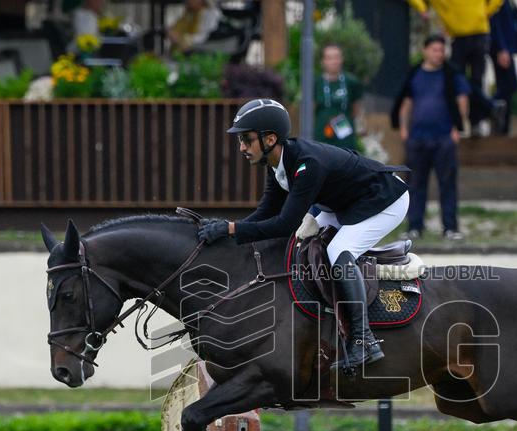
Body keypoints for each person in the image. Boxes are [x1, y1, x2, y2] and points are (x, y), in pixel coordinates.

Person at [196, 99, 410, 371]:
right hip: (346, 203)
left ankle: (364, 342)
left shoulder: (307, 165)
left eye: (247, 140)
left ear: (270, 139)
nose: (242, 148)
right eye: (241, 140)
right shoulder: (277, 164)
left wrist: (231, 229)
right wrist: (228, 232)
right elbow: (264, 214)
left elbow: (284, 224)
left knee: (338, 253)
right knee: (303, 245)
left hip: (386, 200)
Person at [391, 35, 469, 241]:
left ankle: (450, 228)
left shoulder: (451, 74)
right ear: (425, 50)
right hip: (417, 139)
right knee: (415, 184)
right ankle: (415, 227)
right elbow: (406, 103)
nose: (439, 54)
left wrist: (457, 129)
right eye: (435, 50)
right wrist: (404, 130)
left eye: (441, 50)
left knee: (447, 184)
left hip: (444, 138)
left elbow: (462, 101)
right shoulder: (414, 74)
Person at [407, 0, 496, 135]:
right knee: (457, 80)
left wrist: (488, 11)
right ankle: (489, 108)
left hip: (479, 33)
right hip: (458, 36)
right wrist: (422, 8)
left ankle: (475, 122)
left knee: (476, 80)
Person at [313, 43, 364, 151]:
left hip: (345, 135)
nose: (333, 61)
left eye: (336, 57)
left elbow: (356, 107)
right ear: (323, 61)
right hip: (322, 134)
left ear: (342, 59)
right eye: (329, 58)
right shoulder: (316, 83)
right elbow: (311, 108)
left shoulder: (351, 82)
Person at [488, 0, 517, 135]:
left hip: (508, 49)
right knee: (508, 85)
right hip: (502, 50)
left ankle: (503, 127)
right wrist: (501, 49)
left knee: (508, 87)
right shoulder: (497, 2)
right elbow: (495, 23)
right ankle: (491, 109)